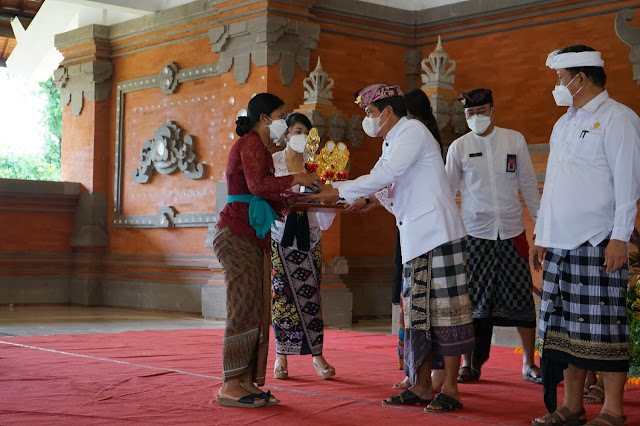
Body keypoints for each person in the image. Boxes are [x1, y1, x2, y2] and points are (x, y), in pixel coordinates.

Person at [311, 83, 474, 413]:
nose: (367, 120)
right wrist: (366, 198)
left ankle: (452, 390)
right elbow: (386, 181)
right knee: (418, 316)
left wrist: (339, 189)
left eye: (370, 113)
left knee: (446, 313)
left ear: (387, 111)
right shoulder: (393, 139)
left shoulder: (411, 131)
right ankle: (422, 385)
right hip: (416, 239)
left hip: (438, 234)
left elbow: (388, 173)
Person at [530, 45, 640, 426]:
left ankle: (612, 410)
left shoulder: (618, 118)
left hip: (599, 242)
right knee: (564, 332)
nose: (557, 86)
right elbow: (555, 186)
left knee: (604, 329)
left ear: (580, 78)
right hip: (560, 244)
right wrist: (541, 235)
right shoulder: (563, 124)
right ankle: (572, 407)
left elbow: (628, 184)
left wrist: (620, 237)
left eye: (560, 78)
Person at [212, 93, 320, 408]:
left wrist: (310, 198)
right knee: (243, 307)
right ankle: (231, 384)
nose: (284, 123)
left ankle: (246, 381)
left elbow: (271, 196)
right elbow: (259, 187)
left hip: (252, 235)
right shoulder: (249, 144)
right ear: (264, 119)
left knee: (258, 309)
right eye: (281, 115)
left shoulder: (260, 148)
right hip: (236, 234)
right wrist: (298, 177)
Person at [442, 88, 542, 386]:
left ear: (493, 110)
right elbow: (447, 193)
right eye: (470, 113)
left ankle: (528, 363)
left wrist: (542, 227)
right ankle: (468, 364)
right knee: (471, 302)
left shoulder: (514, 140)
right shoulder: (459, 147)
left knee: (522, 298)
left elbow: (528, 184)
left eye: (481, 111)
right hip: (475, 233)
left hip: (512, 231)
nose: (476, 117)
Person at [270, 112, 337, 381]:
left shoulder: (316, 164)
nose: (301, 137)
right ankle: (280, 356)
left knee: (311, 296)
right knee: (281, 298)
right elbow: (264, 192)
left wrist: (325, 195)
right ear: (286, 134)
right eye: (297, 131)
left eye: (307, 133)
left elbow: (326, 198)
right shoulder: (273, 162)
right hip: (279, 235)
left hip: (308, 237)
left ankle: (317, 355)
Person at [392, 88, 445, 391]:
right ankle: (415, 370)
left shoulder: (417, 137)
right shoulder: (410, 137)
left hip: (426, 231)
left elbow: (391, 176)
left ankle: (432, 374)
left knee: (428, 305)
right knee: (410, 300)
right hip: (408, 226)